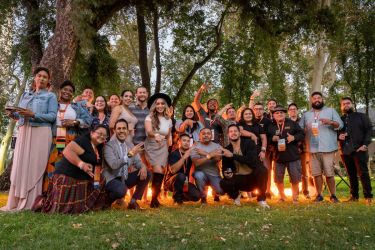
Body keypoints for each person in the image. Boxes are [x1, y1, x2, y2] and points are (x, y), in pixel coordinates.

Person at [1, 67, 58, 212]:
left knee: (35, 165)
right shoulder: (25, 95)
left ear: (48, 80)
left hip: (41, 132)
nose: (42, 78)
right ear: (35, 78)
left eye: (45, 77)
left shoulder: (50, 96)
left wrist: (33, 114)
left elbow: (52, 117)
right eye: (39, 76)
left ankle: (31, 202)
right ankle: (14, 202)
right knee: (20, 165)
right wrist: (13, 115)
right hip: (24, 132)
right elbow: (20, 115)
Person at [32, 125, 110, 214]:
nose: (102, 136)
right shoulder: (83, 140)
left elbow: (96, 164)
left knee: (100, 179)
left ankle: (95, 206)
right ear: (92, 133)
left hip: (81, 178)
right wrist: (81, 164)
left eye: (105, 135)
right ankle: (41, 202)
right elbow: (67, 151)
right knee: (58, 210)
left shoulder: (99, 147)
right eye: (100, 133)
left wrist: (95, 174)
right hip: (66, 176)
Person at [44, 80, 92, 192]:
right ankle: (50, 193)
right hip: (54, 138)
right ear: (60, 91)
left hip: (71, 140)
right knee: (53, 164)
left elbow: (88, 120)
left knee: (69, 166)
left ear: (73, 94)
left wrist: (75, 122)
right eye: (65, 89)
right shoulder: (52, 104)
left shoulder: (77, 107)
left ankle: (67, 194)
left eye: (70, 91)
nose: (67, 92)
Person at [299, 91, 343, 203]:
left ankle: (333, 195)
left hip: (327, 148)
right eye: (314, 98)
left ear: (322, 99)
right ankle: (319, 195)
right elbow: (299, 130)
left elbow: (340, 125)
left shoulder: (331, 111)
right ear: (311, 100)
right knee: (316, 173)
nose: (317, 100)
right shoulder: (306, 115)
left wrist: (331, 122)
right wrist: (304, 131)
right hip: (312, 149)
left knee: (329, 173)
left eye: (319, 98)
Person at [103, 119, 151, 209]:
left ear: (127, 131)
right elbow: (113, 165)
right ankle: (106, 201)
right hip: (111, 179)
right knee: (121, 190)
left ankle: (133, 202)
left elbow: (137, 162)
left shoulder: (130, 145)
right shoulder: (109, 146)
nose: (121, 131)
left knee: (147, 173)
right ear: (114, 130)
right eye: (119, 128)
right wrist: (130, 154)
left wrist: (143, 166)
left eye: (124, 128)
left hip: (123, 178)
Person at [220, 124, 269, 208]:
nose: (233, 133)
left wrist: (233, 155)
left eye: (235, 131)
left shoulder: (249, 143)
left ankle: (261, 200)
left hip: (253, 178)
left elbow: (251, 160)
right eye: (231, 132)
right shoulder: (227, 149)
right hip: (239, 179)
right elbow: (225, 167)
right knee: (223, 182)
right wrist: (227, 173)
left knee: (263, 170)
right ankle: (236, 196)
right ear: (228, 135)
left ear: (240, 133)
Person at [338, 97, 373, 204]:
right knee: (351, 175)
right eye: (344, 104)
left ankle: (368, 197)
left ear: (352, 104)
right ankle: (354, 196)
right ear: (341, 106)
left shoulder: (361, 116)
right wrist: (339, 136)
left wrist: (365, 145)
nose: (346, 105)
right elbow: (335, 133)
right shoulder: (340, 120)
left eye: (348, 103)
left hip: (359, 150)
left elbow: (369, 130)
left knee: (363, 173)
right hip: (346, 151)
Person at [269, 106, 304, 203]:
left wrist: (294, 137)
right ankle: (282, 196)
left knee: (295, 178)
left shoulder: (292, 123)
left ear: (285, 114)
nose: (279, 114)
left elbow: (302, 134)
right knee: (278, 179)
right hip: (278, 157)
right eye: (277, 113)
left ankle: (295, 198)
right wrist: (272, 139)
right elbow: (266, 138)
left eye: (281, 112)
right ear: (273, 115)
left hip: (293, 156)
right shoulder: (271, 125)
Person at [144, 93, 173, 208]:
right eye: (158, 103)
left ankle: (155, 199)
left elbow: (168, 136)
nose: (160, 105)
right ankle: (153, 201)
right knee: (158, 171)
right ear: (154, 106)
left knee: (160, 171)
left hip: (163, 148)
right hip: (152, 146)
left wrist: (168, 148)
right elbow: (149, 132)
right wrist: (156, 135)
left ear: (165, 106)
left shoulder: (168, 120)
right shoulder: (149, 117)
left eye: (162, 103)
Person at [190, 128, 224, 204]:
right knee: (198, 175)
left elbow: (218, 158)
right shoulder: (195, 146)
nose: (206, 135)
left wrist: (205, 154)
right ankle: (203, 197)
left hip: (214, 174)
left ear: (211, 136)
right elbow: (197, 163)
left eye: (208, 133)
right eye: (203, 133)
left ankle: (216, 193)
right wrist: (210, 155)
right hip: (201, 173)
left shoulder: (217, 146)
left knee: (221, 191)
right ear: (199, 136)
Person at [164, 134, 200, 204]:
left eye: (188, 141)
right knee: (180, 176)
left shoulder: (190, 154)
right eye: (184, 141)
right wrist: (184, 157)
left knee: (196, 196)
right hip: (170, 182)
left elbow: (198, 163)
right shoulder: (174, 154)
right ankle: (177, 199)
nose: (186, 143)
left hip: (185, 182)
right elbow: (173, 170)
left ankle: (182, 196)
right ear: (179, 142)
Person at [288, 103, 311, 199]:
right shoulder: (286, 122)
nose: (293, 110)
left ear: (297, 110)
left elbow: (306, 135)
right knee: (292, 172)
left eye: (294, 109)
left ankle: (306, 192)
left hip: (302, 150)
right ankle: (295, 193)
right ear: (288, 111)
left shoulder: (302, 122)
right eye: (291, 109)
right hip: (290, 151)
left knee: (304, 172)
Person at [252, 102, 274, 199]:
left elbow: (270, 136)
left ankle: (267, 191)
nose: (258, 111)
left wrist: (266, 148)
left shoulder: (268, 121)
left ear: (263, 110)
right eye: (256, 109)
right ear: (253, 110)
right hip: (252, 150)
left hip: (265, 149)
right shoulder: (250, 121)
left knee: (266, 170)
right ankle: (254, 190)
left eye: (260, 109)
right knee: (253, 170)